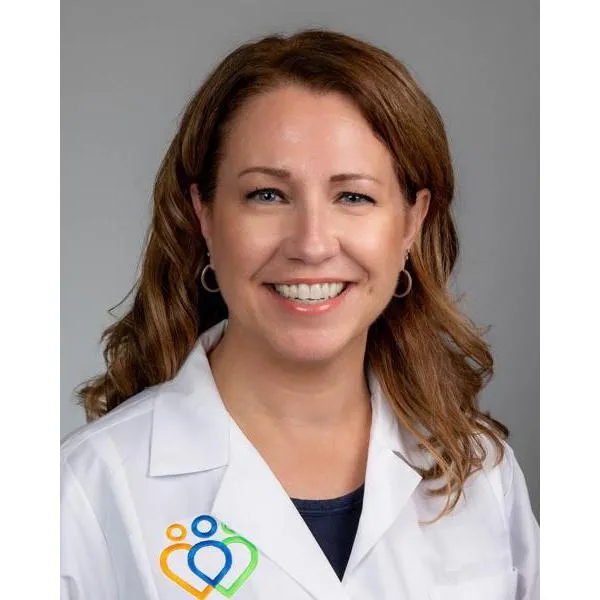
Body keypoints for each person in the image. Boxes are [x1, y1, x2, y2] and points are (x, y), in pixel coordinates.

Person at [60, 29, 539, 600]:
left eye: (353, 196)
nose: (312, 245)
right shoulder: (85, 493)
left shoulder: (482, 475)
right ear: (204, 214)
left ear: (412, 222)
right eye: (267, 195)